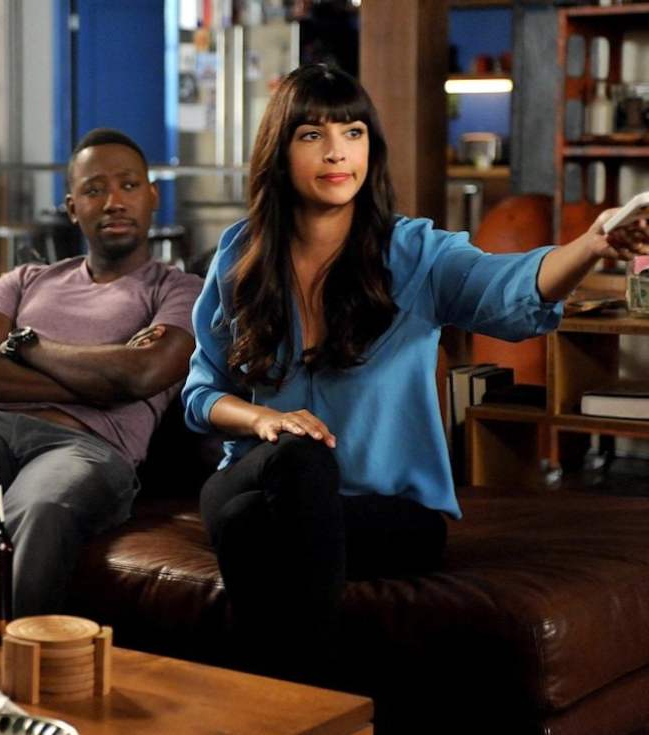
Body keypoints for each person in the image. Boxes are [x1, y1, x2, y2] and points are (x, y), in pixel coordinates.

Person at [181, 64, 649, 679]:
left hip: (387, 515)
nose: (336, 152)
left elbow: (508, 286)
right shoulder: (241, 254)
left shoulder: (416, 254)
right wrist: (264, 419)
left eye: (352, 133)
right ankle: (319, 704)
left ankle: (291, 695)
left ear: (370, 148)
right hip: (259, 477)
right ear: (279, 151)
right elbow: (202, 394)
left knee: (249, 523)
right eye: (312, 135)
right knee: (292, 458)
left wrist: (589, 247)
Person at [0, 128, 203, 617]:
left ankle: (15, 659)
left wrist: (26, 345)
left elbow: (143, 374)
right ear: (72, 207)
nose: (113, 201)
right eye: (94, 189)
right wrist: (100, 380)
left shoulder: (179, 290)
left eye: (129, 185)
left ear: (152, 196)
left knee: (39, 506)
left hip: (89, 445)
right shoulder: (25, 280)